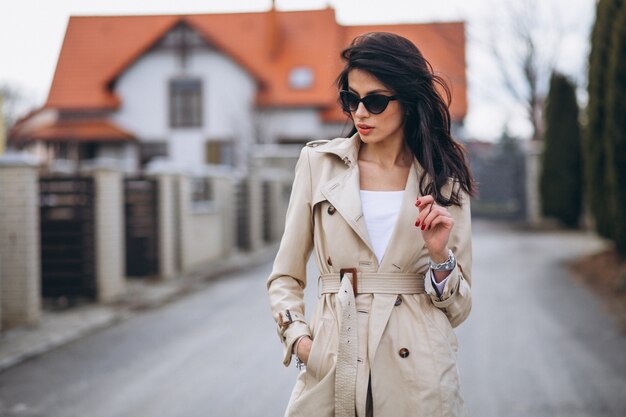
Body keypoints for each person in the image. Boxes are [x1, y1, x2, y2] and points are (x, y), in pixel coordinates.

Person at [267, 31, 475, 417]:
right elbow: (284, 277)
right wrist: (301, 342)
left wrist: (439, 256)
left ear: (408, 101)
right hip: (333, 364)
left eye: (375, 101)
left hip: (419, 376)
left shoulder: (443, 177)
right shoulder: (318, 166)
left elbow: (460, 309)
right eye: (351, 99)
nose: (360, 113)